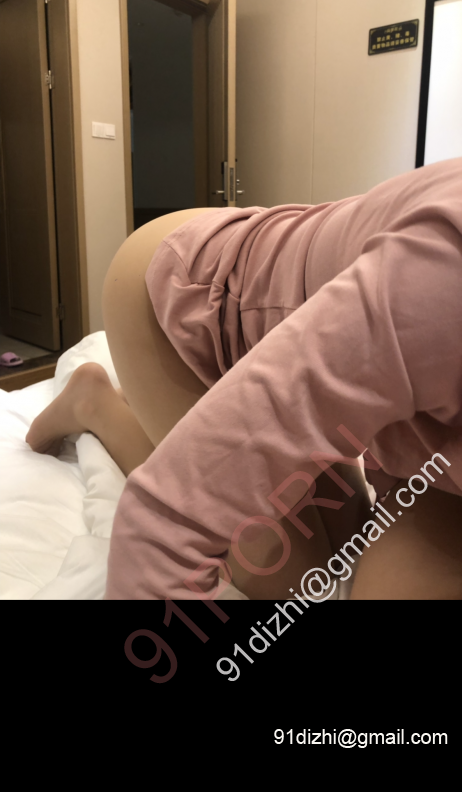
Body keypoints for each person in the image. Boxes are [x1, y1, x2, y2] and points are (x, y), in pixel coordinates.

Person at [26, 157, 462, 600]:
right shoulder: (438, 285)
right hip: (184, 291)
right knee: (294, 580)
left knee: (351, 535)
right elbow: (162, 530)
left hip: (285, 311)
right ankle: (96, 404)